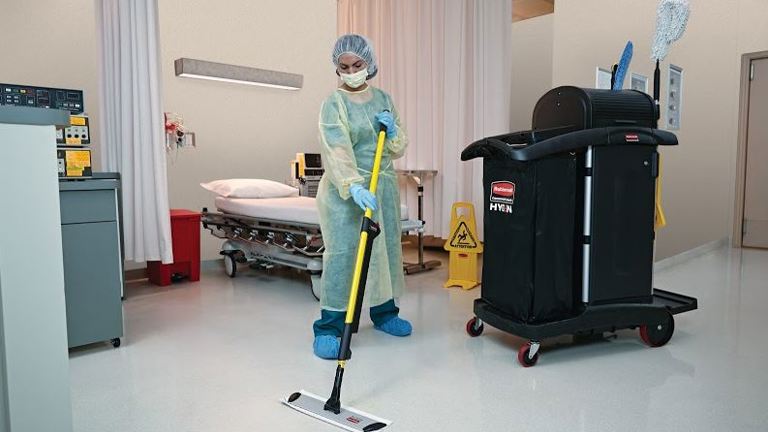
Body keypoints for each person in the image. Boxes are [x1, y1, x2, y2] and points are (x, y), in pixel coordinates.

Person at [313, 34, 411, 359]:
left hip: (381, 188)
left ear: (369, 64)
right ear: (337, 68)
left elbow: (397, 147)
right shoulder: (334, 103)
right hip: (346, 192)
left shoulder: (383, 98)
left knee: (383, 251)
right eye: (345, 66)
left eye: (358, 65)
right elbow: (336, 148)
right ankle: (329, 326)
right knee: (343, 256)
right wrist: (353, 185)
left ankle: (385, 314)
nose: (352, 70)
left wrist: (393, 132)